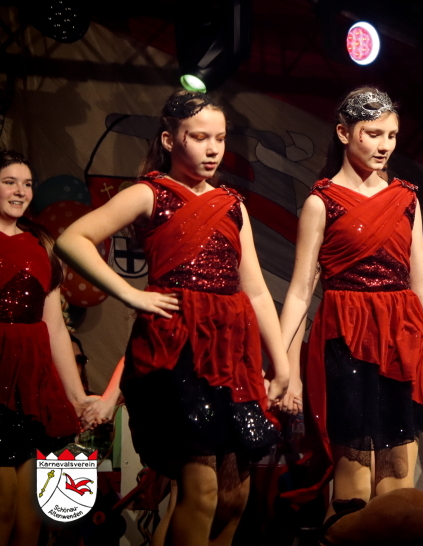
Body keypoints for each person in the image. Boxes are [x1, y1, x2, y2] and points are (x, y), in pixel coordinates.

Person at [55, 91, 288, 546]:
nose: (212, 149)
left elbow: (257, 291)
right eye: (199, 137)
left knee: (235, 497)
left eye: (219, 138)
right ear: (169, 139)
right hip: (177, 352)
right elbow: (72, 238)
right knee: (201, 492)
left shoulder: (232, 203)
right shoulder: (149, 193)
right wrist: (130, 294)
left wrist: (282, 365)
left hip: (231, 356)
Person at [278, 87, 423, 516]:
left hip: (399, 342)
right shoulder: (321, 202)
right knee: (355, 479)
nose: (385, 145)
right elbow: (299, 290)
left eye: (392, 135)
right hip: (346, 342)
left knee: (398, 478)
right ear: (344, 133)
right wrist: (281, 363)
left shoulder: (406, 198)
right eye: (373, 134)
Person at [0, 150, 95, 546]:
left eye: (27, 184)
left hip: (31, 386)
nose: (20, 191)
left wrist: (77, 397)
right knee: (3, 505)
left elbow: (55, 327)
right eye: (9, 182)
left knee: (31, 516)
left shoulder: (41, 243)